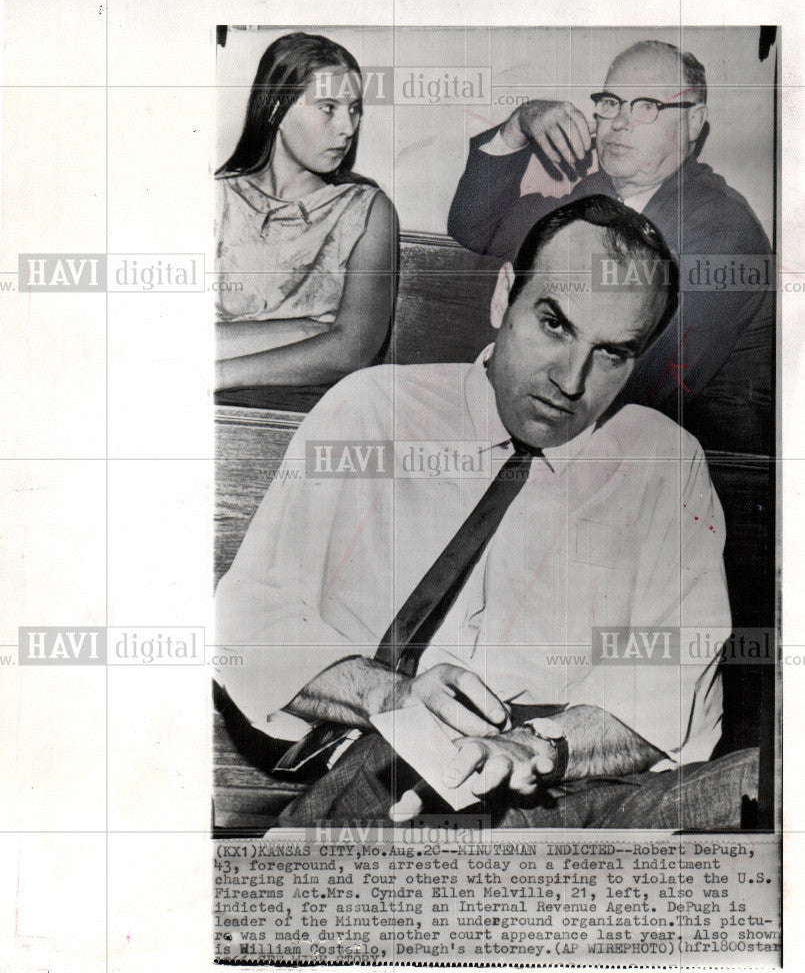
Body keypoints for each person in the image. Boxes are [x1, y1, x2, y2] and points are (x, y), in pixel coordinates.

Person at [215, 195, 758, 829]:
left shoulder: (663, 461)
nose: (572, 380)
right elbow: (248, 621)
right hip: (392, 769)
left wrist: (540, 749)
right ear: (504, 297)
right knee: (405, 773)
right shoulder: (371, 414)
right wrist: (392, 696)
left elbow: (667, 689)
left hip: (571, 787)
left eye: (613, 352)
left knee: (760, 784)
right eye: (554, 323)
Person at [448, 40, 774, 454]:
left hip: (688, 470)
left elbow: (636, 387)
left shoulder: (724, 235)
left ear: (694, 123)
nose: (619, 122)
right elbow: (478, 227)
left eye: (645, 107)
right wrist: (518, 124)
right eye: (611, 103)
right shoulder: (600, 193)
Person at [215, 32, 398, 390]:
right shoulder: (216, 198)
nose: (347, 128)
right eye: (328, 108)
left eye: (354, 109)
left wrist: (213, 375)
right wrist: (308, 331)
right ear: (275, 109)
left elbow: (353, 351)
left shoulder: (366, 211)